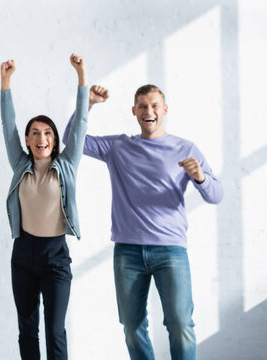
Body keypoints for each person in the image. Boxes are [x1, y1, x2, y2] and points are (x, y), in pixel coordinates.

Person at [64, 84, 223, 360]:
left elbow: (216, 195)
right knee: (132, 327)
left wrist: (200, 177)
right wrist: (86, 103)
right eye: (143, 106)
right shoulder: (118, 146)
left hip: (170, 250)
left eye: (154, 106)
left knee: (181, 324)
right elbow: (71, 138)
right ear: (134, 111)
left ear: (164, 109)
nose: (149, 111)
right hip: (128, 251)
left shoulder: (185, 148)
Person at [0, 55, 107, 360]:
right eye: (35, 132)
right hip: (23, 254)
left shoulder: (67, 164)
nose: (41, 137)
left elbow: (82, 124)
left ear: (56, 140)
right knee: (27, 328)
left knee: (55, 329)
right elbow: (8, 124)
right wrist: (5, 82)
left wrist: (82, 75)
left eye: (47, 132)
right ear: (27, 140)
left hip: (55, 256)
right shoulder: (20, 164)